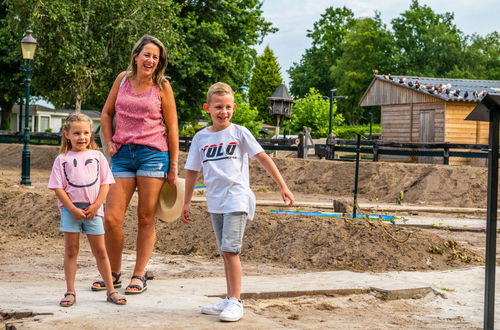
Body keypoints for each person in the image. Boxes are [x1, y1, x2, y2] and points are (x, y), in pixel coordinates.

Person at [181, 82, 295, 322]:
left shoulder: (240, 132)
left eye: (228, 107)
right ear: (208, 108)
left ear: (234, 108)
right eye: (218, 107)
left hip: (237, 198)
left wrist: (282, 186)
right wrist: (186, 202)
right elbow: (192, 171)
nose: (224, 112)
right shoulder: (200, 138)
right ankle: (229, 297)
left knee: (230, 250)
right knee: (224, 252)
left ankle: (236, 301)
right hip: (215, 201)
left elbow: (263, 158)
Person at [93, 34, 178, 295]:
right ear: (136, 56)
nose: (150, 60)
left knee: (145, 218)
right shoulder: (122, 80)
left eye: (155, 57)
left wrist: (174, 165)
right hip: (121, 156)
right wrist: (108, 142)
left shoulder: (162, 86)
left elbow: (172, 126)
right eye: (147, 55)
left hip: (153, 155)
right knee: (111, 218)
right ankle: (114, 274)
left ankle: (139, 275)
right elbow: (107, 114)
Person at [48, 113, 126, 307]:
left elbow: (105, 183)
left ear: (91, 134)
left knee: (101, 251)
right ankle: (70, 291)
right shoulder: (62, 159)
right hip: (71, 212)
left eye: (85, 133)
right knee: (71, 251)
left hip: (94, 211)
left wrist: (97, 205)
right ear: (67, 134)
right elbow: (58, 187)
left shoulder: (98, 157)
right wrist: (72, 209)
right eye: (76, 133)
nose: (81, 137)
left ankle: (111, 290)